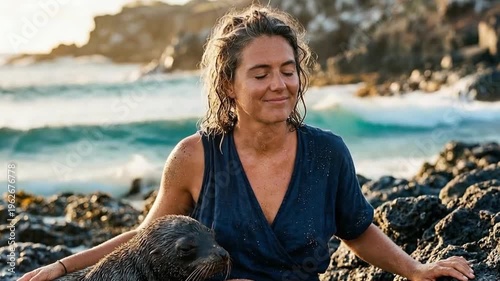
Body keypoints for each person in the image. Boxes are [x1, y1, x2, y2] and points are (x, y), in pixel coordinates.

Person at [19, 5, 475, 281]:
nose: (279, 84)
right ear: (229, 85)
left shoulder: (328, 153)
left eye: (287, 69)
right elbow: (143, 240)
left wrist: (416, 269)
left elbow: (357, 230)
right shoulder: (196, 157)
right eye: (260, 73)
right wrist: (63, 268)